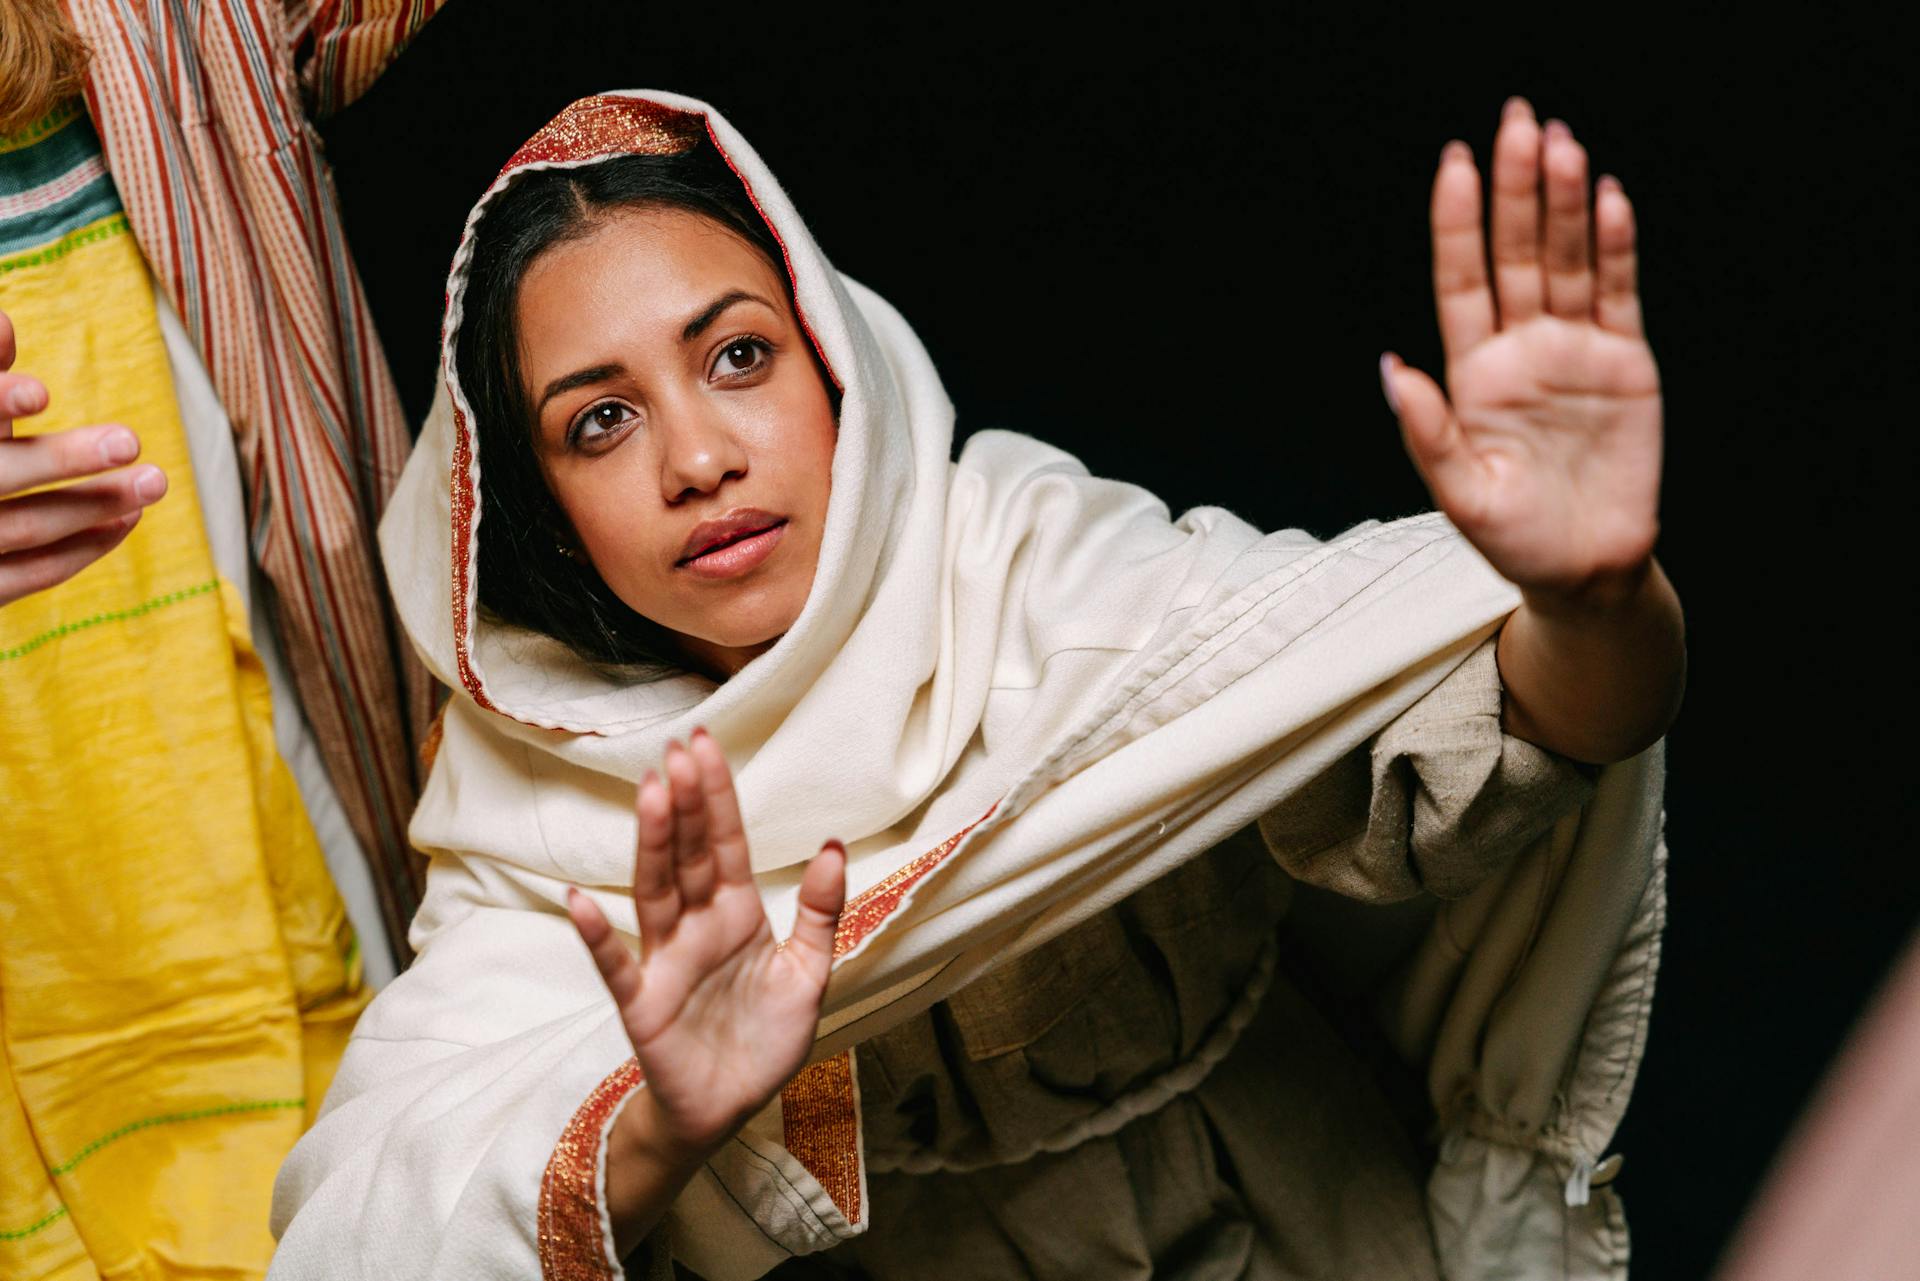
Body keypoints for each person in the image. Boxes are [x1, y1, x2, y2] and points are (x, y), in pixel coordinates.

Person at [268, 89, 1683, 1280]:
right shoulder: (539, 821)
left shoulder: (1035, 568)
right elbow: (376, 1220)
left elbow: (1475, 767)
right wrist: (662, 1120)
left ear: (834, 360)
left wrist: (1590, 600)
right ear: (536, 512)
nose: (696, 459)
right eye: (601, 420)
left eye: (739, 355)